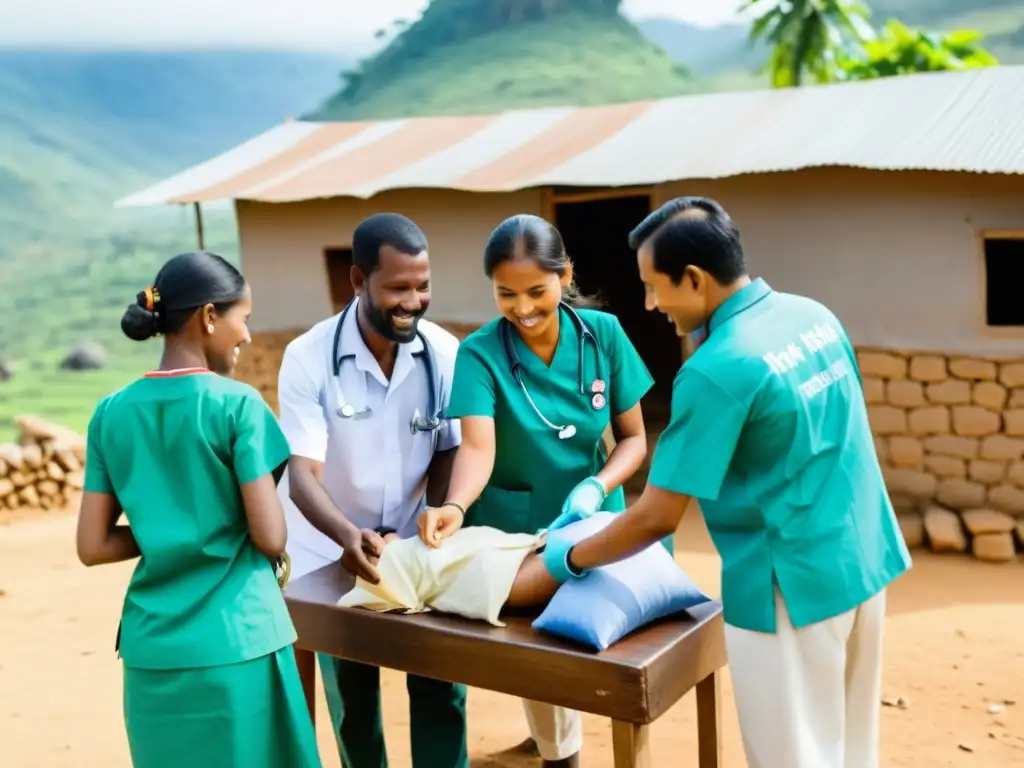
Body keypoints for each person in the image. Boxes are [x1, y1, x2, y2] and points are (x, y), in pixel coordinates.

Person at [538, 197, 912, 768]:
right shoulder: (813, 316)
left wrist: (572, 556)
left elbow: (659, 515)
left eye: (654, 286)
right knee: (852, 747)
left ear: (694, 278)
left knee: (794, 755)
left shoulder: (716, 368)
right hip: (863, 561)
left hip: (789, 589)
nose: (650, 303)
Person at [417, 214, 655, 768]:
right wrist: (454, 505)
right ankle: (559, 756)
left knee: (613, 649)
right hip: (517, 529)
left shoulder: (607, 336)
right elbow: (477, 448)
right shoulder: (479, 354)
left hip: (596, 519)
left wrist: (597, 486)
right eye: (506, 294)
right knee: (541, 655)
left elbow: (635, 440)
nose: (522, 307)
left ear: (565, 273)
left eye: (536, 291)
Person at [75, 251, 321, 768]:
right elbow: (271, 538)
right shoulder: (238, 406)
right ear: (210, 316)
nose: (247, 335)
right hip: (239, 641)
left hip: (152, 652)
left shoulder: (110, 413)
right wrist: (204, 523)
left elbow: (93, 546)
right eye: (243, 319)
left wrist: (171, 527)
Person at [277, 213, 468, 768]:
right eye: (398, 288)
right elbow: (301, 474)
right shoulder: (309, 358)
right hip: (331, 546)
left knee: (439, 685)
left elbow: (451, 446)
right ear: (358, 282)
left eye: (423, 285)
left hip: (417, 544)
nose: (414, 300)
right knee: (352, 700)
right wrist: (347, 537)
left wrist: (431, 515)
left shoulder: (443, 353)